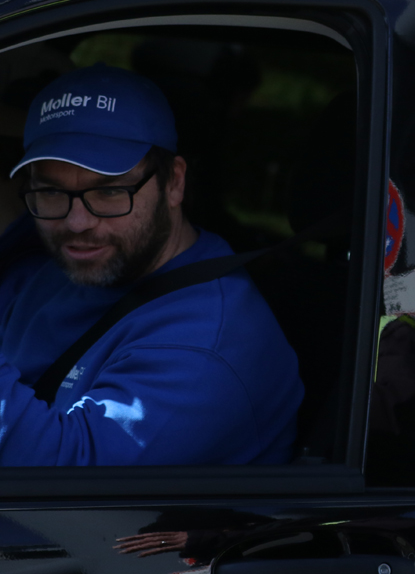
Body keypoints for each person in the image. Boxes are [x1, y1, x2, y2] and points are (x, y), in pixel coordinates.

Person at [0, 64, 304, 466]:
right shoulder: (47, 272)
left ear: (174, 183)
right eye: (51, 192)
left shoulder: (205, 348)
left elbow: (65, 474)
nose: (77, 222)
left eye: (109, 191)